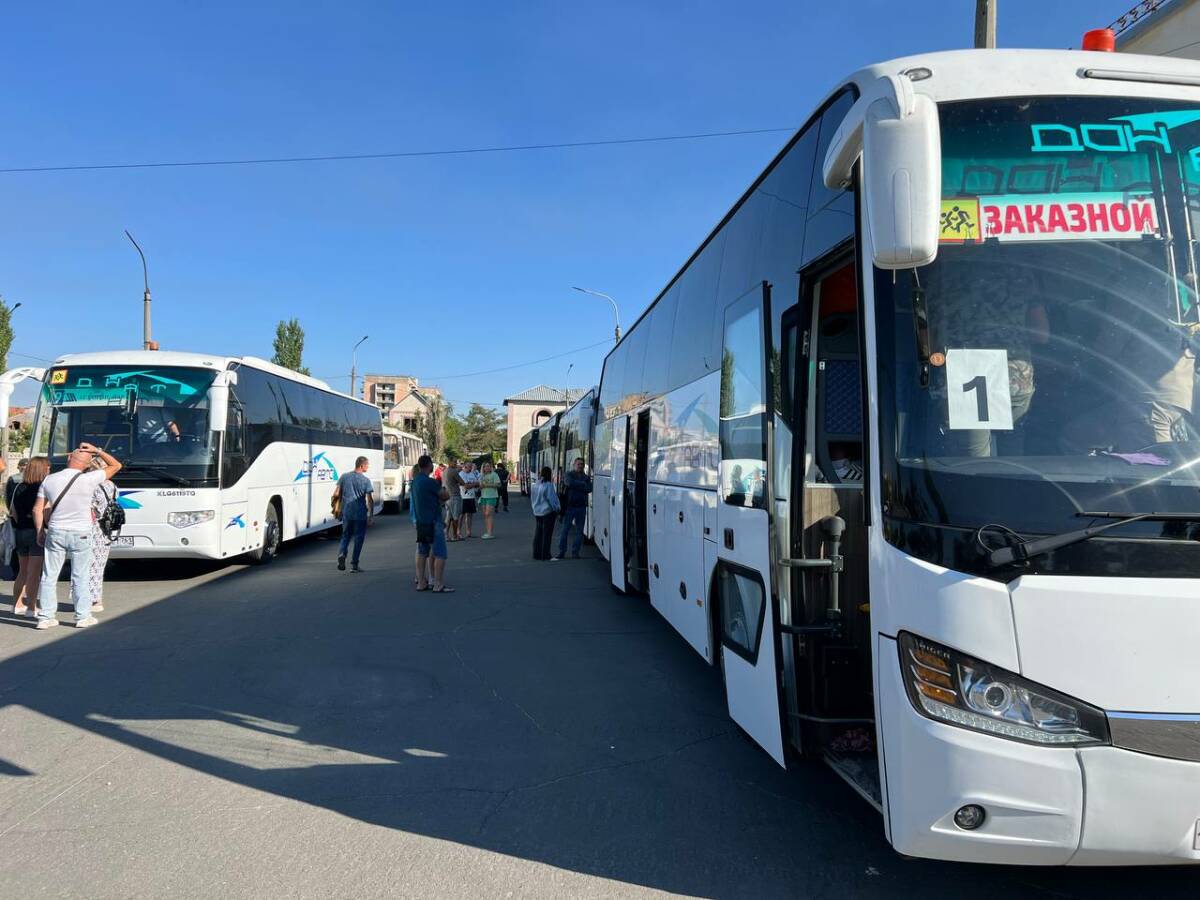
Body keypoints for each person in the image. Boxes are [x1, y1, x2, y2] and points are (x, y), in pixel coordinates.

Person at [33, 443, 122, 630]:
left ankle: (46, 617)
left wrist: (40, 531)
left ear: (68, 459)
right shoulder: (89, 479)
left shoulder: (49, 479)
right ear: (87, 464)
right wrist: (97, 451)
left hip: (56, 531)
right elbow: (116, 465)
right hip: (81, 533)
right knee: (80, 575)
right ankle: (82, 616)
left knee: (49, 576)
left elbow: (37, 509)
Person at [7, 456, 48, 616]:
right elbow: (43, 510)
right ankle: (31, 607)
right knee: (34, 573)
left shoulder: (19, 486)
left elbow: (13, 512)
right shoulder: (42, 488)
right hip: (35, 531)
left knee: (22, 571)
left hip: (20, 532)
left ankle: (16, 605)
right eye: (47, 467)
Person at [412, 454, 453, 592]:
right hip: (433, 521)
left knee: (422, 552)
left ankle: (421, 582)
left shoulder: (415, 481)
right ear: (429, 465)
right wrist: (442, 496)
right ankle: (438, 583)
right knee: (440, 553)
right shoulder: (431, 482)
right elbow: (445, 495)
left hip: (421, 521)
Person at [86, 457, 118, 612]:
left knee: (88, 565)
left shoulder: (91, 486)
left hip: (93, 529)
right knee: (99, 565)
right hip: (106, 529)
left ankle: (89, 600)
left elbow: (91, 510)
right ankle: (97, 600)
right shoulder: (112, 485)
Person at [332, 456, 374, 573]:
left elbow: (336, 493)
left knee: (345, 536)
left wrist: (337, 506)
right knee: (358, 538)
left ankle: (342, 554)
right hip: (360, 514)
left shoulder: (344, 477)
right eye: (367, 465)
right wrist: (371, 515)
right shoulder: (366, 480)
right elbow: (370, 500)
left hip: (347, 512)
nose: (368, 467)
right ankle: (354, 565)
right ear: (361, 465)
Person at [554, 458, 592, 560]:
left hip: (581, 507)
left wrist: (577, 485)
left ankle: (575, 553)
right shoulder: (569, 474)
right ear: (574, 465)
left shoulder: (586, 477)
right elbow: (569, 483)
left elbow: (589, 488)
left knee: (579, 532)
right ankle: (562, 552)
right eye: (578, 464)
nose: (580, 466)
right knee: (564, 531)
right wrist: (582, 484)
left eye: (582, 464)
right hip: (569, 507)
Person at [531, 466, 560, 560]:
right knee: (547, 535)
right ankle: (546, 555)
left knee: (538, 533)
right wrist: (557, 508)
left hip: (537, 512)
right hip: (547, 512)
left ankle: (536, 553)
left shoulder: (535, 485)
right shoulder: (549, 485)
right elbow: (551, 499)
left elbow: (532, 499)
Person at [442, 457, 463, 541]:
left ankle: (446, 535)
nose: (456, 463)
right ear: (449, 462)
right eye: (454, 462)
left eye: (456, 462)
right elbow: (462, 482)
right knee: (455, 517)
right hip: (454, 496)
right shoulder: (453, 471)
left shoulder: (444, 471)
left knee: (448, 517)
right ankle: (455, 535)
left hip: (447, 496)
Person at [478, 461, 501, 539]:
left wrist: (487, 485)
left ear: (491, 467)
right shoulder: (482, 475)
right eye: (485, 466)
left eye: (488, 466)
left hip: (492, 496)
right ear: (483, 468)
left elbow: (498, 484)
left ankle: (490, 533)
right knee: (485, 515)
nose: (487, 468)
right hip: (483, 496)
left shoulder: (494, 474)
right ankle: (488, 532)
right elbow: (480, 486)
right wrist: (480, 486)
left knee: (488, 514)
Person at [459, 460, 480, 539]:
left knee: (470, 515)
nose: (471, 468)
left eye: (471, 466)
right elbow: (466, 486)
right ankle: (458, 532)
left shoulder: (472, 473)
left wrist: (472, 484)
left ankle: (469, 532)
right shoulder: (461, 474)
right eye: (469, 466)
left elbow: (478, 484)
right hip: (463, 497)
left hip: (471, 497)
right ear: (464, 466)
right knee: (461, 515)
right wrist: (473, 484)